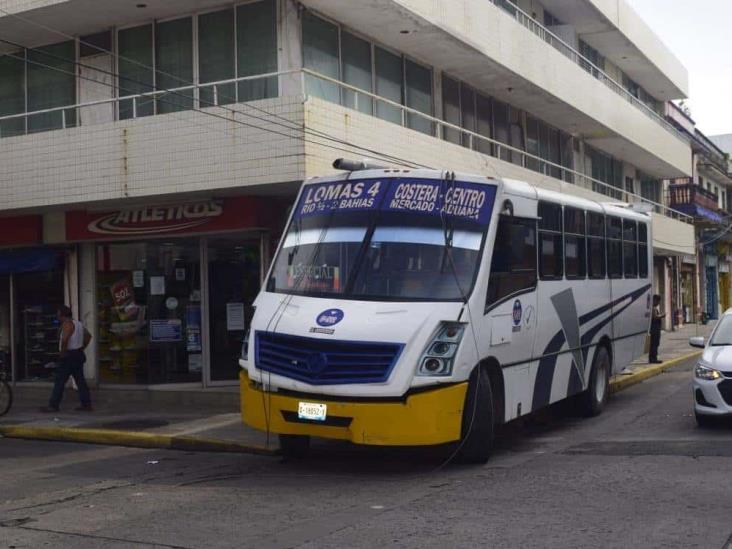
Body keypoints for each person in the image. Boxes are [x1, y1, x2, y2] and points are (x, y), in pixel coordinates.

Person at [41, 306, 93, 412]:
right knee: (80, 381)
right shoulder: (78, 324)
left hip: (69, 355)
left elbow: (65, 339)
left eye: (58, 314)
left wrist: (62, 352)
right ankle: (86, 404)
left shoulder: (67, 324)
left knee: (60, 380)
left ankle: (53, 405)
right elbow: (88, 336)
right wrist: (82, 347)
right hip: (78, 354)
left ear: (62, 315)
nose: (57, 316)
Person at [649, 294, 665, 364]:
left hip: (655, 329)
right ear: (655, 300)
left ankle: (653, 358)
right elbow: (655, 317)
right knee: (654, 344)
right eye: (658, 301)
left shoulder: (654, 308)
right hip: (654, 329)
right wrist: (662, 316)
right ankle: (653, 358)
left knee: (655, 344)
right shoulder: (653, 308)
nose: (658, 303)